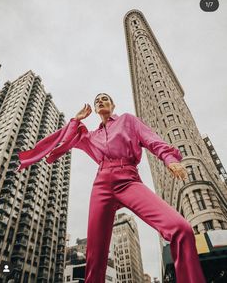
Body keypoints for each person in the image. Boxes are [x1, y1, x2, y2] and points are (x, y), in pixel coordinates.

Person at [16, 93, 206, 283]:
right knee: (95, 258)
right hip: (102, 186)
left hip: (129, 180)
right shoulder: (90, 136)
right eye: (97, 100)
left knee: (181, 228)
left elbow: (152, 140)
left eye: (104, 98)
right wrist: (76, 119)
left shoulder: (128, 120)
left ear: (113, 105)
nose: (100, 101)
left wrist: (169, 159)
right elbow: (66, 139)